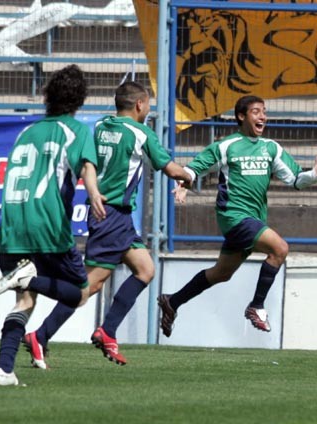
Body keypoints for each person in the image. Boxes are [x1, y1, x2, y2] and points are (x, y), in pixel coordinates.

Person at [21, 81, 193, 367]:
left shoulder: (101, 126)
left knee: (145, 269)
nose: (148, 109)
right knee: (88, 286)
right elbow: (171, 169)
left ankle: (107, 330)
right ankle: (40, 333)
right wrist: (190, 176)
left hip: (113, 216)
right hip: (111, 215)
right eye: (148, 104)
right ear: (139, 104)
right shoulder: (140, 133)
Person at [158, 95, 317, 337]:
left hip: (254, 219)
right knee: (280, 249)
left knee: (221, 273)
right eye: (256, 111)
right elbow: (194, 168)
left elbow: (294, 180)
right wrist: (183, 184)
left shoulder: (271, 148)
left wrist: (313, 175)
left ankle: (172, 301)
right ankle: (256, 306)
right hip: (233, 216)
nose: (263, 117)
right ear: (241, 116)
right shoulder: (226, 146)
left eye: (264, 112)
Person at [0, 64, 106, 386]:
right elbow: (87, 167)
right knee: (79, 293)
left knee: (24, 301)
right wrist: (93, 192)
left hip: (13, 226)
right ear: (80, 98)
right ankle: (29, 278)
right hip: (48, 225)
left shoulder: (27, 133)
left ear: (48, 96)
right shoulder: (76, 130)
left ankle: (3, 369)